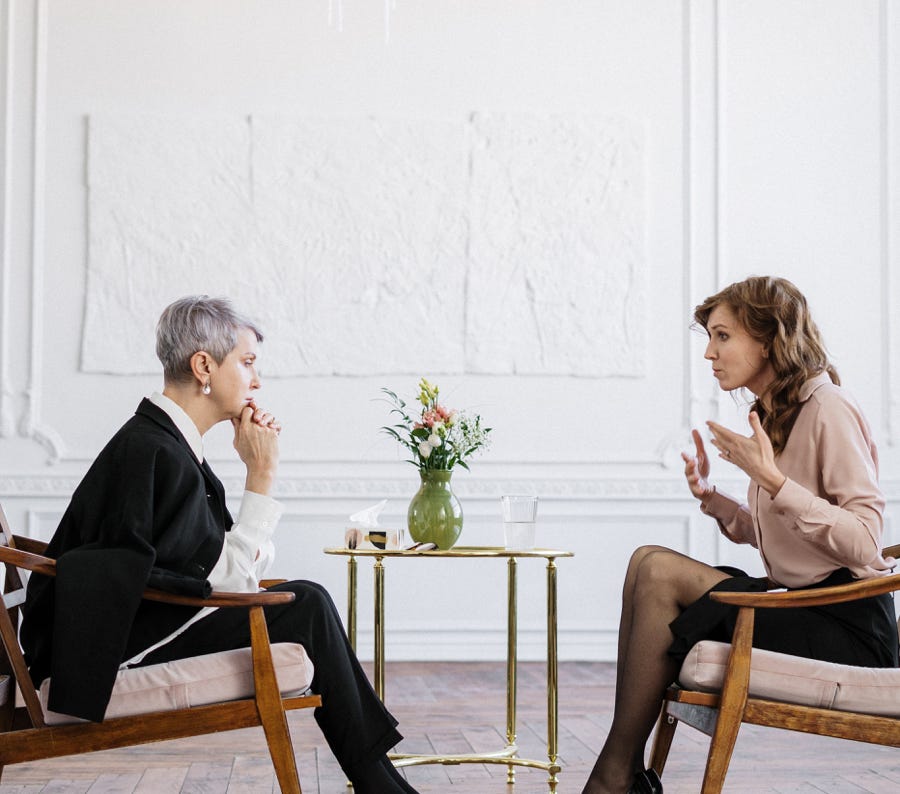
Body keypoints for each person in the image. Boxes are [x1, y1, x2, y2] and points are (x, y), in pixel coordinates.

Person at [21, 295, 418, 794]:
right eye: (247, 362)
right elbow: (222, 581)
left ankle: (381, 782)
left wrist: (255, 488)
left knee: (304, 599)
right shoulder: (157, 450)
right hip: (112, 649)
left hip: (133, 625)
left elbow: (223, 571)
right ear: (204, 365)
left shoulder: (166, 443)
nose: (257, 380)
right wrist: (262, 475)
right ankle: (382, 784)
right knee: (308, 602)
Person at [581, 276, 898, 794]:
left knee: (658, 571)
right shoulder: (778, 413)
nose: (709, 352)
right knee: (645, 563)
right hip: (802, 604)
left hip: (847, 625)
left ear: (769, 338)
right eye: (709, 337)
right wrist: (714, 499)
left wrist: (773, 479)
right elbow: (789, 539)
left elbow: (865, 541)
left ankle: (614, 777)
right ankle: (624, 772)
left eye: (722, 336)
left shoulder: (829, 408)